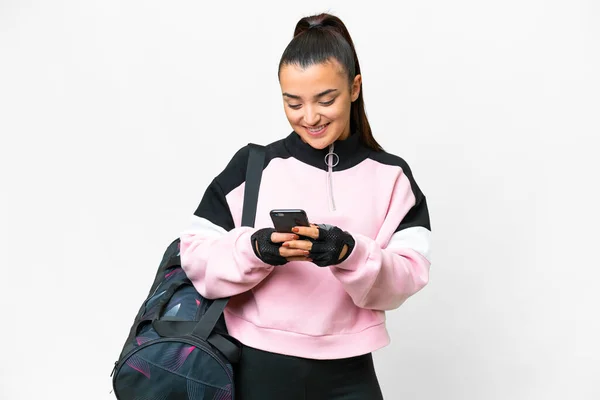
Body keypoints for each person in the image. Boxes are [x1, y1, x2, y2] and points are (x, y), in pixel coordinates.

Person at [180, 12, 432, 400]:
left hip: (349, 372)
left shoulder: (392, 176)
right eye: (293, 103)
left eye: (325, 99)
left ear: (354, 88)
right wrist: (258, 248)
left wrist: (348, 252)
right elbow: (194, 255)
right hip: (255, 366)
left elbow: (408, 278)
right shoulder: (254, 166)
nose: (310, 117)